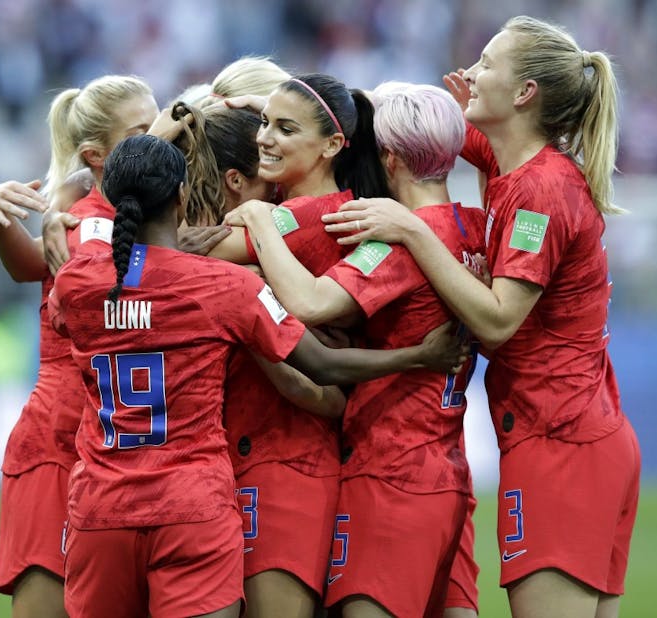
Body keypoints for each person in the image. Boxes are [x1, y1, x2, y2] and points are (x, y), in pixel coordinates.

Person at [48, 133, 466, 618]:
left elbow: (81, 304)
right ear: (182, 197)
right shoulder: (228, 285)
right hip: (192, 508)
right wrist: (416, 356)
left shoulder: (77, 281)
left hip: (101, 508)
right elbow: (322, 364)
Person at [322, 16, 641, 618]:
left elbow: (497, 322)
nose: (468, 74)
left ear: (524, 95)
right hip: (587, 434)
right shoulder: (514, 163)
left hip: (561, 443)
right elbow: (418, 131)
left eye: (487, 63)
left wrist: (413, 232)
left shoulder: (540, 191)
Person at [224, 82, 485, 617]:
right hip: (449, 473)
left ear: (385, 154)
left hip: (387, 473)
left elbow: (312, 301)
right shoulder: (476, 228)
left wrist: (254, 223)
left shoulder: (386, 239)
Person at [203, 72, 391, 617]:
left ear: (333, 146)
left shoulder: (299, 217)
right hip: (282, 449)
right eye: (263, 123)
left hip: (280, 455)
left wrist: (183, 125)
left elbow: (189, 257)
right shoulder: (325, 204)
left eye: (284, 128)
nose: (265, 137)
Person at [0, 74, 158, 618]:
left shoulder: (146, 217)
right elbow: (29, 264)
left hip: (121, 448)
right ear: (96, 155)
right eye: (143, 129)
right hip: (62, 441)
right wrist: (1, 214)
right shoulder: (83, 222)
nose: (159, 137)